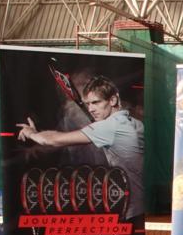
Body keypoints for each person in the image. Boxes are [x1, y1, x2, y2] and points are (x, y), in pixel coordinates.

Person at [17, 75, 144, 220]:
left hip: (131, 210)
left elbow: (54, 140)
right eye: (88, 104)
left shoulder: (109, 127)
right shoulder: (135, 123)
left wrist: (31, 133)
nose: (91, 109)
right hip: (140, 207)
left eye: (96, 102)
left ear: (113, 100)